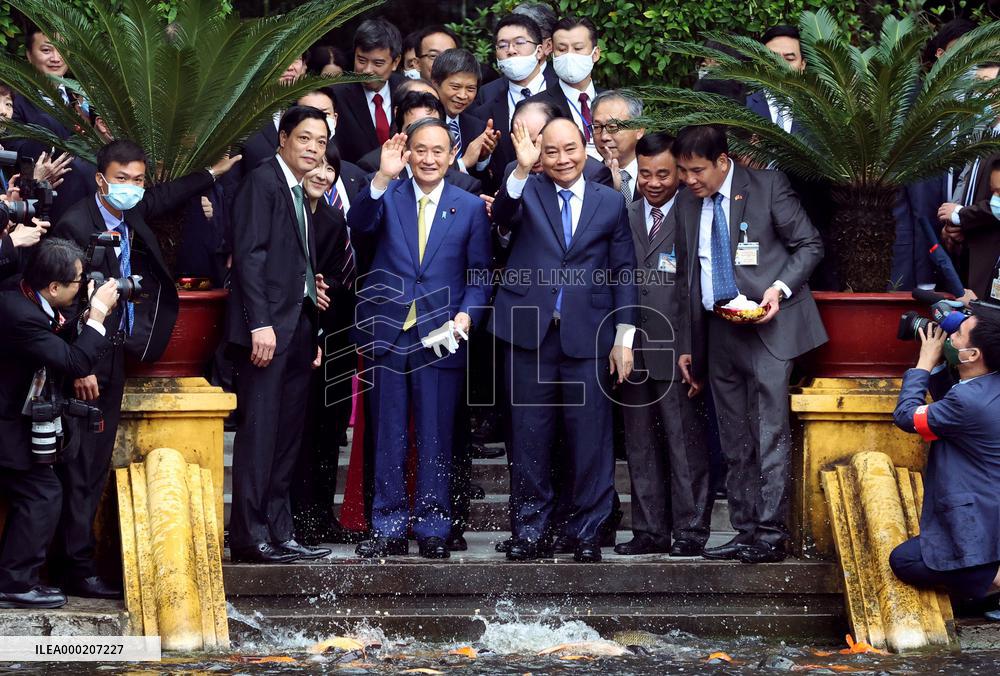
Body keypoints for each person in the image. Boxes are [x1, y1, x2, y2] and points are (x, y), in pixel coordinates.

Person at [48, 140, 238, 595]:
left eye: (137, 180)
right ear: (101, 180)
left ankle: (77, 562)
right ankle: (72, 568)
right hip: (84, 363)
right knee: (79, 465)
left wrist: (211, 173)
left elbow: (162, 198)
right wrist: (81, 366)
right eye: (121, 180)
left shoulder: (130, 211)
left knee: (92, 466)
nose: (131, 189)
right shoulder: (76, 225)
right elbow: (65, 303)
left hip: (115, 354)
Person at [672, 125, 827, 564]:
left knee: (769, 433)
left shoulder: (768, 187)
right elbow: (688, 278)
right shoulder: (687, 202)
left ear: (723, 161)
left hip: (768, 327)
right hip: (718, 329)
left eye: (697, 170)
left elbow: (809, 246)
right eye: (682, 170)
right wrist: (688, 344)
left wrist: (778, 289)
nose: (688, 179)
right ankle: (743, 530)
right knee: (734, 436)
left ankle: (771, 534)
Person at [490, 117, 636, 563]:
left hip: (589, 334)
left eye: (570, 149)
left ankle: (587, 532)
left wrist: (624, 336)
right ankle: (529, 531)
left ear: (584, 146)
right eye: (551, 151)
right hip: (528, 332)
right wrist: (520, 168)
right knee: (529, 436)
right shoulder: (524, 189)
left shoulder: (609, 202)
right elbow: (501, 219)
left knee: (590, 438)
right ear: (539, 151)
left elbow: (624, 271)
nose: (562, 159)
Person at [348, 119, 491, 559]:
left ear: (452, 156)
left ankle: (433, 527)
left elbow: (480, 274)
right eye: (420, 150)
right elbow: (358, 227)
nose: (429, 159)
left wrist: (467, 316)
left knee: (435, 436)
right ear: (407, 153)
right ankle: (387, 525)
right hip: (388, 334)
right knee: (388, 434)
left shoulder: (467, 206)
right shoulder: (386, 195)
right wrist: (380, 177)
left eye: (438, 151)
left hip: (440, 335)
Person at [226, 106, 331, 564]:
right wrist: (258, 323)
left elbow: (297, 264)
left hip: (298, 326)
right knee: (261, 435)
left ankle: (280, 531)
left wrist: (312, 316)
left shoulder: (299, 191)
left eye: (321, 141)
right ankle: (250, 536)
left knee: (288, 438)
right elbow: (249, 256)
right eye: (305, 138)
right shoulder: (263, 181)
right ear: (283, 138)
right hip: (266, 329)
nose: (313, 148)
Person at [0, 238, 120, 608]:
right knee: (42, 493)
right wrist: (97, 316)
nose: (84, 288)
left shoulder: (23, 294)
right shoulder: (20, 315)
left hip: (13, 419)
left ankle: (18, 579)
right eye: (78, 282)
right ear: (53, 287)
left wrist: (80, 320)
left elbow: (60, 342)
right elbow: (75, 363)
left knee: (42, 492)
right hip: (5, 422)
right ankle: (14, 584)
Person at [616, 132, 713, 557]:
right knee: (639, 443)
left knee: (684, 443)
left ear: (678, 171)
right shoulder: (628, 214)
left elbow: (696, 288)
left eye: (663, 174)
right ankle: (649, 530)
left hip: (678, 351)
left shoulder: (696, 212)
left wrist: (695, 352)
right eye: (645, 174)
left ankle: (690, 531)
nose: (653, 183)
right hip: (633, 350)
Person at [890, 304, 1000, 603]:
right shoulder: (987, 385)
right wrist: (940, 366)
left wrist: (924, 363)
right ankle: (982, 587)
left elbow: (905, 416)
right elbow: (950, 408)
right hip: (992, 508)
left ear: (973, 354)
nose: (949, 338)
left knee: (904, 561)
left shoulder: (967, 401)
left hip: (976, 517)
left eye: (958, 335)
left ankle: (994, 580)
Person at [292, 142, 358, 545]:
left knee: (329, 428)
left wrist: (324, 285)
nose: (322, 174)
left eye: (329, 168)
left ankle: (321, 512)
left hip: (335, 333)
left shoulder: (334, 219)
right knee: (298, 429)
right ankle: (293, 516)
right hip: (296, 333)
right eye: (314, 165)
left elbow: (341, 275)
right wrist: (304, 285)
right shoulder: (284, 210)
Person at [9, 28, 96, 224]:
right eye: (47, 50)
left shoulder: (85, 98)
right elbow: (15, 151)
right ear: (29, 56)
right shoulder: (13, 101)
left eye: (62, 51)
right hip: (44, 212)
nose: (56, 58)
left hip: (92, 207)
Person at [471, 14, 557, 189]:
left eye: (519, 43)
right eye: (503, 45)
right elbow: (481, 177)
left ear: (539, 50)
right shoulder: (484, 105)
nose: (511, 50)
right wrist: (483, 158)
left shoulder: (564, 93)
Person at [356, 91, 483, 195]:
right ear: (400, 130)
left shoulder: (465, 186)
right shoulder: (375, 171)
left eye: (430, 125)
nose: (423, 135)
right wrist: (383, 178)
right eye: (413, 128)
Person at [524, 17, 604, 160]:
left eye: (578, 48)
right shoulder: (535, 107)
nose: (569, 55)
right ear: (553, 52)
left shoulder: (614, 101)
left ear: (596, 54)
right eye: (562, 49)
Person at [331, 18, 406, 164]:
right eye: (361, 60)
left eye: (378, 63)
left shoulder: (407, 90)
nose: (367, 70)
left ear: (395, 62)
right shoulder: (336, 96)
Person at [939, 158, 1000, 302]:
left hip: (990, 260)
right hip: (966, 256)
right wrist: (954, 227)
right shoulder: (980, 147)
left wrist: (962, 215)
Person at [431, 49, 498, 178]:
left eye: (470, 89)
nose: (463, 95)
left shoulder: (478, 128)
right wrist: (463, 162)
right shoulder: (422, 122)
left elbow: (485, 187)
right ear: (435, 83)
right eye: (455, 87)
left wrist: (482, 159)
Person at [745, 26, 804, 135]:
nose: (780, 65)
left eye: (789, 59)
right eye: (771, 59)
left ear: (802, 65)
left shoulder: (822, 114)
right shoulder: (743, 107)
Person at [591, 90, 645, 202]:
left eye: (613, 126)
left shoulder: (660, 173)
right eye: (597, 127)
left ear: (639, 129)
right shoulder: (589, 179)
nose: (604, 137)